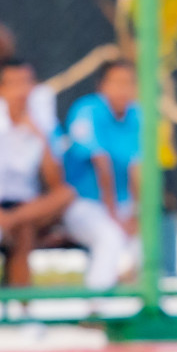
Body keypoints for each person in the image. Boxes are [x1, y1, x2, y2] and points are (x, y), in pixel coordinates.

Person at [0, 59, 75, 287]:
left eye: (26, 82)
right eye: (13, 83)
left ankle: (6, 225)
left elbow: (56, 183)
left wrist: (40, 136)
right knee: (25, 230)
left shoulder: (43, 121)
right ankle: (24, 312)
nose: (21, 90)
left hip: (22, 207)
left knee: (66, 196)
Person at [62, 60, 142, 290]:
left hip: (122, 205)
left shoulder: (138, 115)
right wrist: (113, 213)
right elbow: (101, 161)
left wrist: (136, 214)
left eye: (128, 83)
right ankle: (94, 311)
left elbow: (138, 168)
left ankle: (134, 311)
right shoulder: (86, 110)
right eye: (116, 82)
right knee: (111, 238)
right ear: (101, 86)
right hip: (82, 204)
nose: (123, 89)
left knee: (148, 247)